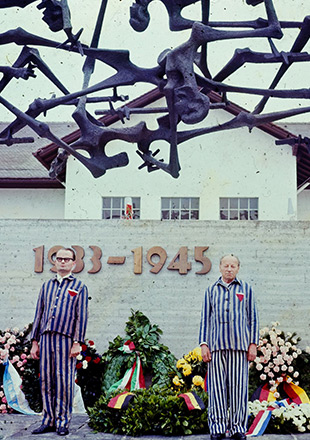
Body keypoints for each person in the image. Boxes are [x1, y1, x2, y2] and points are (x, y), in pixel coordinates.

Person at [199, 254, 259, 440]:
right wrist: (203, 344)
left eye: (233, 266)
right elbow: (205, 320)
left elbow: (253, 318)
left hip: (239, 348)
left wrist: (253, 344)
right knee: (216, 389)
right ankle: (217, 427)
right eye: (226, 265)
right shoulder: (210, 290)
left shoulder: (246, 289)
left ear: (238, 268)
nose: (229, 269)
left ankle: (237, 428)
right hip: (216, 347)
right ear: (220, 267)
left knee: (239, 389)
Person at [30, 247, 88, 436]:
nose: (62, 262)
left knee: (64, 380)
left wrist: (77, 342)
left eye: (67, 259)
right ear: (54, 262)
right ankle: (48, 420)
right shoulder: (46, 286)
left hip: (66, 340)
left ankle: (63, 421)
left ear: (73, 263)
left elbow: (81, 317)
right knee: (46, 379)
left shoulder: (79, 287)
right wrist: (35, 342)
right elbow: (38, 314)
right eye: (59, 258)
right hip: (46, 339)